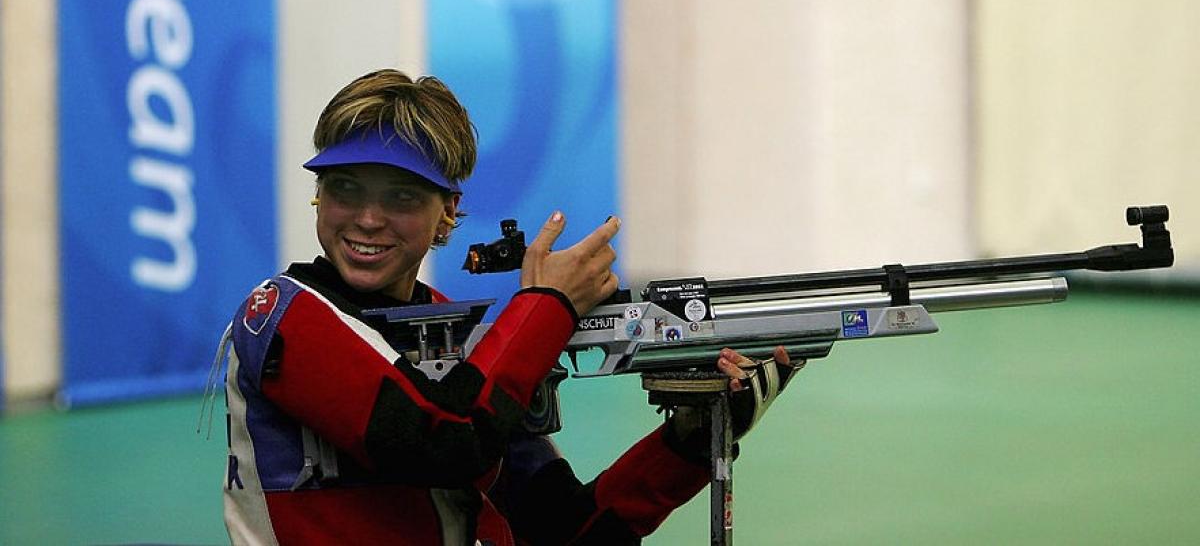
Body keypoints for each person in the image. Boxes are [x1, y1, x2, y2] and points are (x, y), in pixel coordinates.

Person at [219, 69, 802, 545]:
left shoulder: (456, 338)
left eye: (401, 196)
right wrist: (548, 307)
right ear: (319, 194)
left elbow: (565, 530)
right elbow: (444, 442)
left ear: (447, 211)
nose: (367, 219)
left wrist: (691, 440)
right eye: (345, 188)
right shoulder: (281, 315)